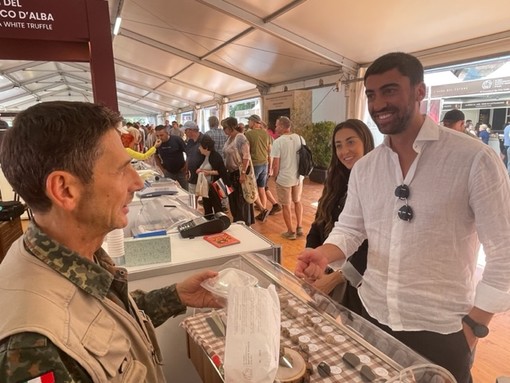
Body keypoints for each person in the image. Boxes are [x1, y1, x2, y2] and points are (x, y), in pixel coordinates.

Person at [295, 52, 510, 383]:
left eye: (390, 90)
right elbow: (351, 228)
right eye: (371, 94)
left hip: (441, 329)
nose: (379, 102)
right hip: (370, 316)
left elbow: (504, 252)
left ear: (420, 91)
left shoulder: (473, 159)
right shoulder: (367, 168)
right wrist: (324, 253)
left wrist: (473, 327)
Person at [0, 101, 221, 383]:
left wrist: (175, 296)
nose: (137, 182)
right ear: (65, 189)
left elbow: (100, 325)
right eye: (121, 169)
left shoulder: (68, 254)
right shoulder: (33, 350)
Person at [306, 119, 374, 315]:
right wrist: (311, 258)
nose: (345, 151)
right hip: (329, 267)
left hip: (360, 281)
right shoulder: (336, 179)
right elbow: (319, 222)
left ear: (366, 142)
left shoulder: (376, 183)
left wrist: (336, 277)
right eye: (339, 145)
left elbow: (371, 243)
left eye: (351, 142)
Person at [271, 116, 304, 240]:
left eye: (276, 125)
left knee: (286, 205)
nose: (275, 127)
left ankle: (290, 232)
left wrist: (275, 176)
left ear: (282, 126)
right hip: (298, 176)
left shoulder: (278, 142)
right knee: (297, 201)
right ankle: (300, 227)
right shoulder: (300, 138)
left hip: (284, 177)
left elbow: (276, 163)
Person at [221, 116, 254, 225]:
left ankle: (244, 223)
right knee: (233, 200)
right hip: (230, 174)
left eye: (225, 127)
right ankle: (237, 220)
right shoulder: (229, 138)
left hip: (238, 173)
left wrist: (243, 173)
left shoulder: (240, 138)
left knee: (242, 200)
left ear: (230, 127)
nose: (224, 130)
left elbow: (246, 156)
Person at [245, 114, 272, 222]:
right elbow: (270, 151)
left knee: (251, 188)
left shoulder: (248, 134)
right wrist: (270, 166)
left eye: (249, 121)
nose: (248, 123)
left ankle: (262, 209)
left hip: (254, 164)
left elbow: (246, 151)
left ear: (253, 122)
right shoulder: (266, 134)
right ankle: (263, 210)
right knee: (261, 188)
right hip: (264, 164)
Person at [197, 135, 231, 215]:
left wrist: (208, 172)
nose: (199, 148)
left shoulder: (215, 156)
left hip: (215, 187)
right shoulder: (205, 156)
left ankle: (220, 224)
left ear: (206, 147)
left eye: (200, 146)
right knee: (207, 207)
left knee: (217, 208)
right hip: (207, 187)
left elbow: (221, 171)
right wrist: (201, 170)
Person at [154, 124, 188, 189]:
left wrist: (185, 167)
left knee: (187, 190)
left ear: (167, 133)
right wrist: (162, 169)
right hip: (168, 172)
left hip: (181, 170)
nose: (159, 138)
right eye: (157, 136)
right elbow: (155, 156)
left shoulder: (177, 139)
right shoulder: (157, 143)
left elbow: (187, 153)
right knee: (168, 190)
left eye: (161, 135)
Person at [182, 121, 205, 195]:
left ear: (190, 130)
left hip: (202, 177)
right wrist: (186, 171)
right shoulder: (190, 141)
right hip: (192, 176)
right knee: (192, 197)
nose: (184, 133)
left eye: (185, 131)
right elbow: (188, 156)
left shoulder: (204, 140)